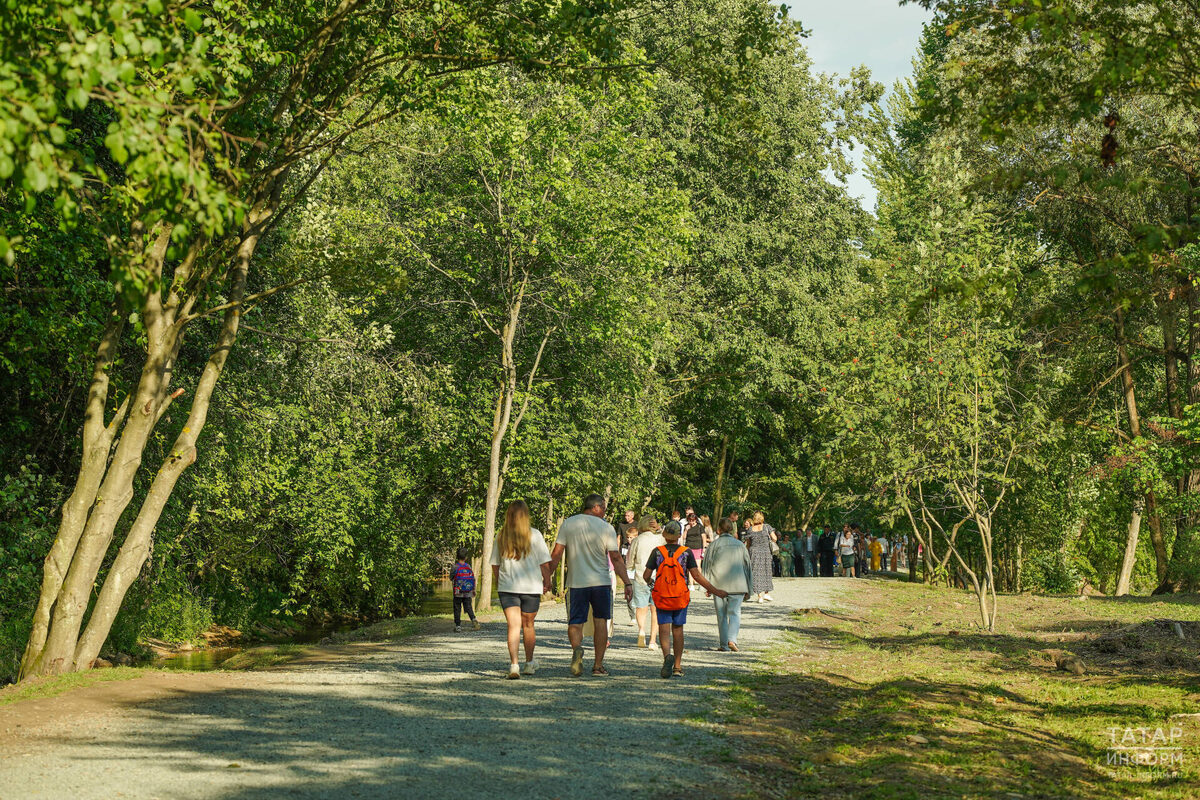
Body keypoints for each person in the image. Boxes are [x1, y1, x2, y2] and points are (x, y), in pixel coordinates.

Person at [546, 494, 634, 677]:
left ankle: (577, 649)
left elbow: (556, 554)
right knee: (600, 621)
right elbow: (616, 558)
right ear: (596, 507)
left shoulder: (569, 523)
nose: (604, 512)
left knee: (575, 621)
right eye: (603, 508)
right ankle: (598, 665)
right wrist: (627, 582)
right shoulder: (606, 528)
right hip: (601, 583)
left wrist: (547, 578)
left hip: (576, 582)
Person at [643, 521, 727, 677]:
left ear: (665, 535)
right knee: (678, 629)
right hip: (680, 596)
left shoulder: (657, 552)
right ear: (679, 535)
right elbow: (696, 575)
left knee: (663, 627)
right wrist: (714, 590)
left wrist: (652, 583)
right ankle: (677, 666)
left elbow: (646, 575)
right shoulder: (686, 552)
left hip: (662, 596)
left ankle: (667, 656)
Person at [489, 500, 552, 679]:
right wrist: (547, 581)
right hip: (531, 587)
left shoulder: (501, 536)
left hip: (508, 587)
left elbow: (495, 564)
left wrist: (499, 580)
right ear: (526, 515)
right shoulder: (535, 535)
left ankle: (514, 664)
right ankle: (529, 663)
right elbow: (544, 563)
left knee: (513, 626)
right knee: (528, 625)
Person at [702, 517, 752, 651]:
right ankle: (732, 640)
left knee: (721, 615)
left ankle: (724, 644)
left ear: (718, 530)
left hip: (718, 585)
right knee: (735, 613)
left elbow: (707, 566)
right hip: (738, 584)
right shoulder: (740, 545)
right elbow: (747, 567)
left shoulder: (714, 545)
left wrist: (707, 585)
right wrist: (749, 586)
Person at [625, 515, 665, 648]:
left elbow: (630, 561)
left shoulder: (637, 540)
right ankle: (653, 641)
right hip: (657, 578)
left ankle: (641, 629)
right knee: (655, 610)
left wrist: (631, 567)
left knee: (641, 608)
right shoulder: (661, 539)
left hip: (641, 577)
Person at [743, 511, 777, 602]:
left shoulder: (750, 529)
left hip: (754, 552)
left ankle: (759, 596)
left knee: (756, 573)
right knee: (766, 572)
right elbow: (775, 538)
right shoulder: (767, 527)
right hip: (765, 552)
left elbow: (748, 544)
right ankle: (766, 593)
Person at [452, 548, 480, 632]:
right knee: (468, 607)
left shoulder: (455, 567)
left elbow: (451, 577)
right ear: (466, 557)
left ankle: (458, 626)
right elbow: (473, 578)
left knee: (457, 608)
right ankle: (474, 620)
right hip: (467, 591)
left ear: (457, 556)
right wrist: (473, 589)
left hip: (458, 591)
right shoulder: (468, 566)